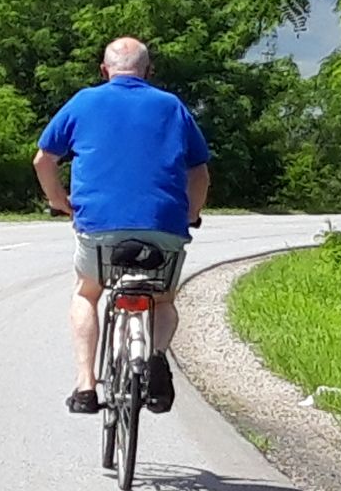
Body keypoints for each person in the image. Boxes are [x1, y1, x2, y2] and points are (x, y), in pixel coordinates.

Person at [31, 37, 210, 415]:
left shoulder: (83, 101)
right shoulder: (172, 106)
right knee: (162, 300)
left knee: (87, 293)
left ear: (104, 69)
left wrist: (58, 201)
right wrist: (190, 214)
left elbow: (43, 160)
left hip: (99, 228)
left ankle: (85, 387)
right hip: (164, 226)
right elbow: (200, 172)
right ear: (149, 71)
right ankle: (157, 356)